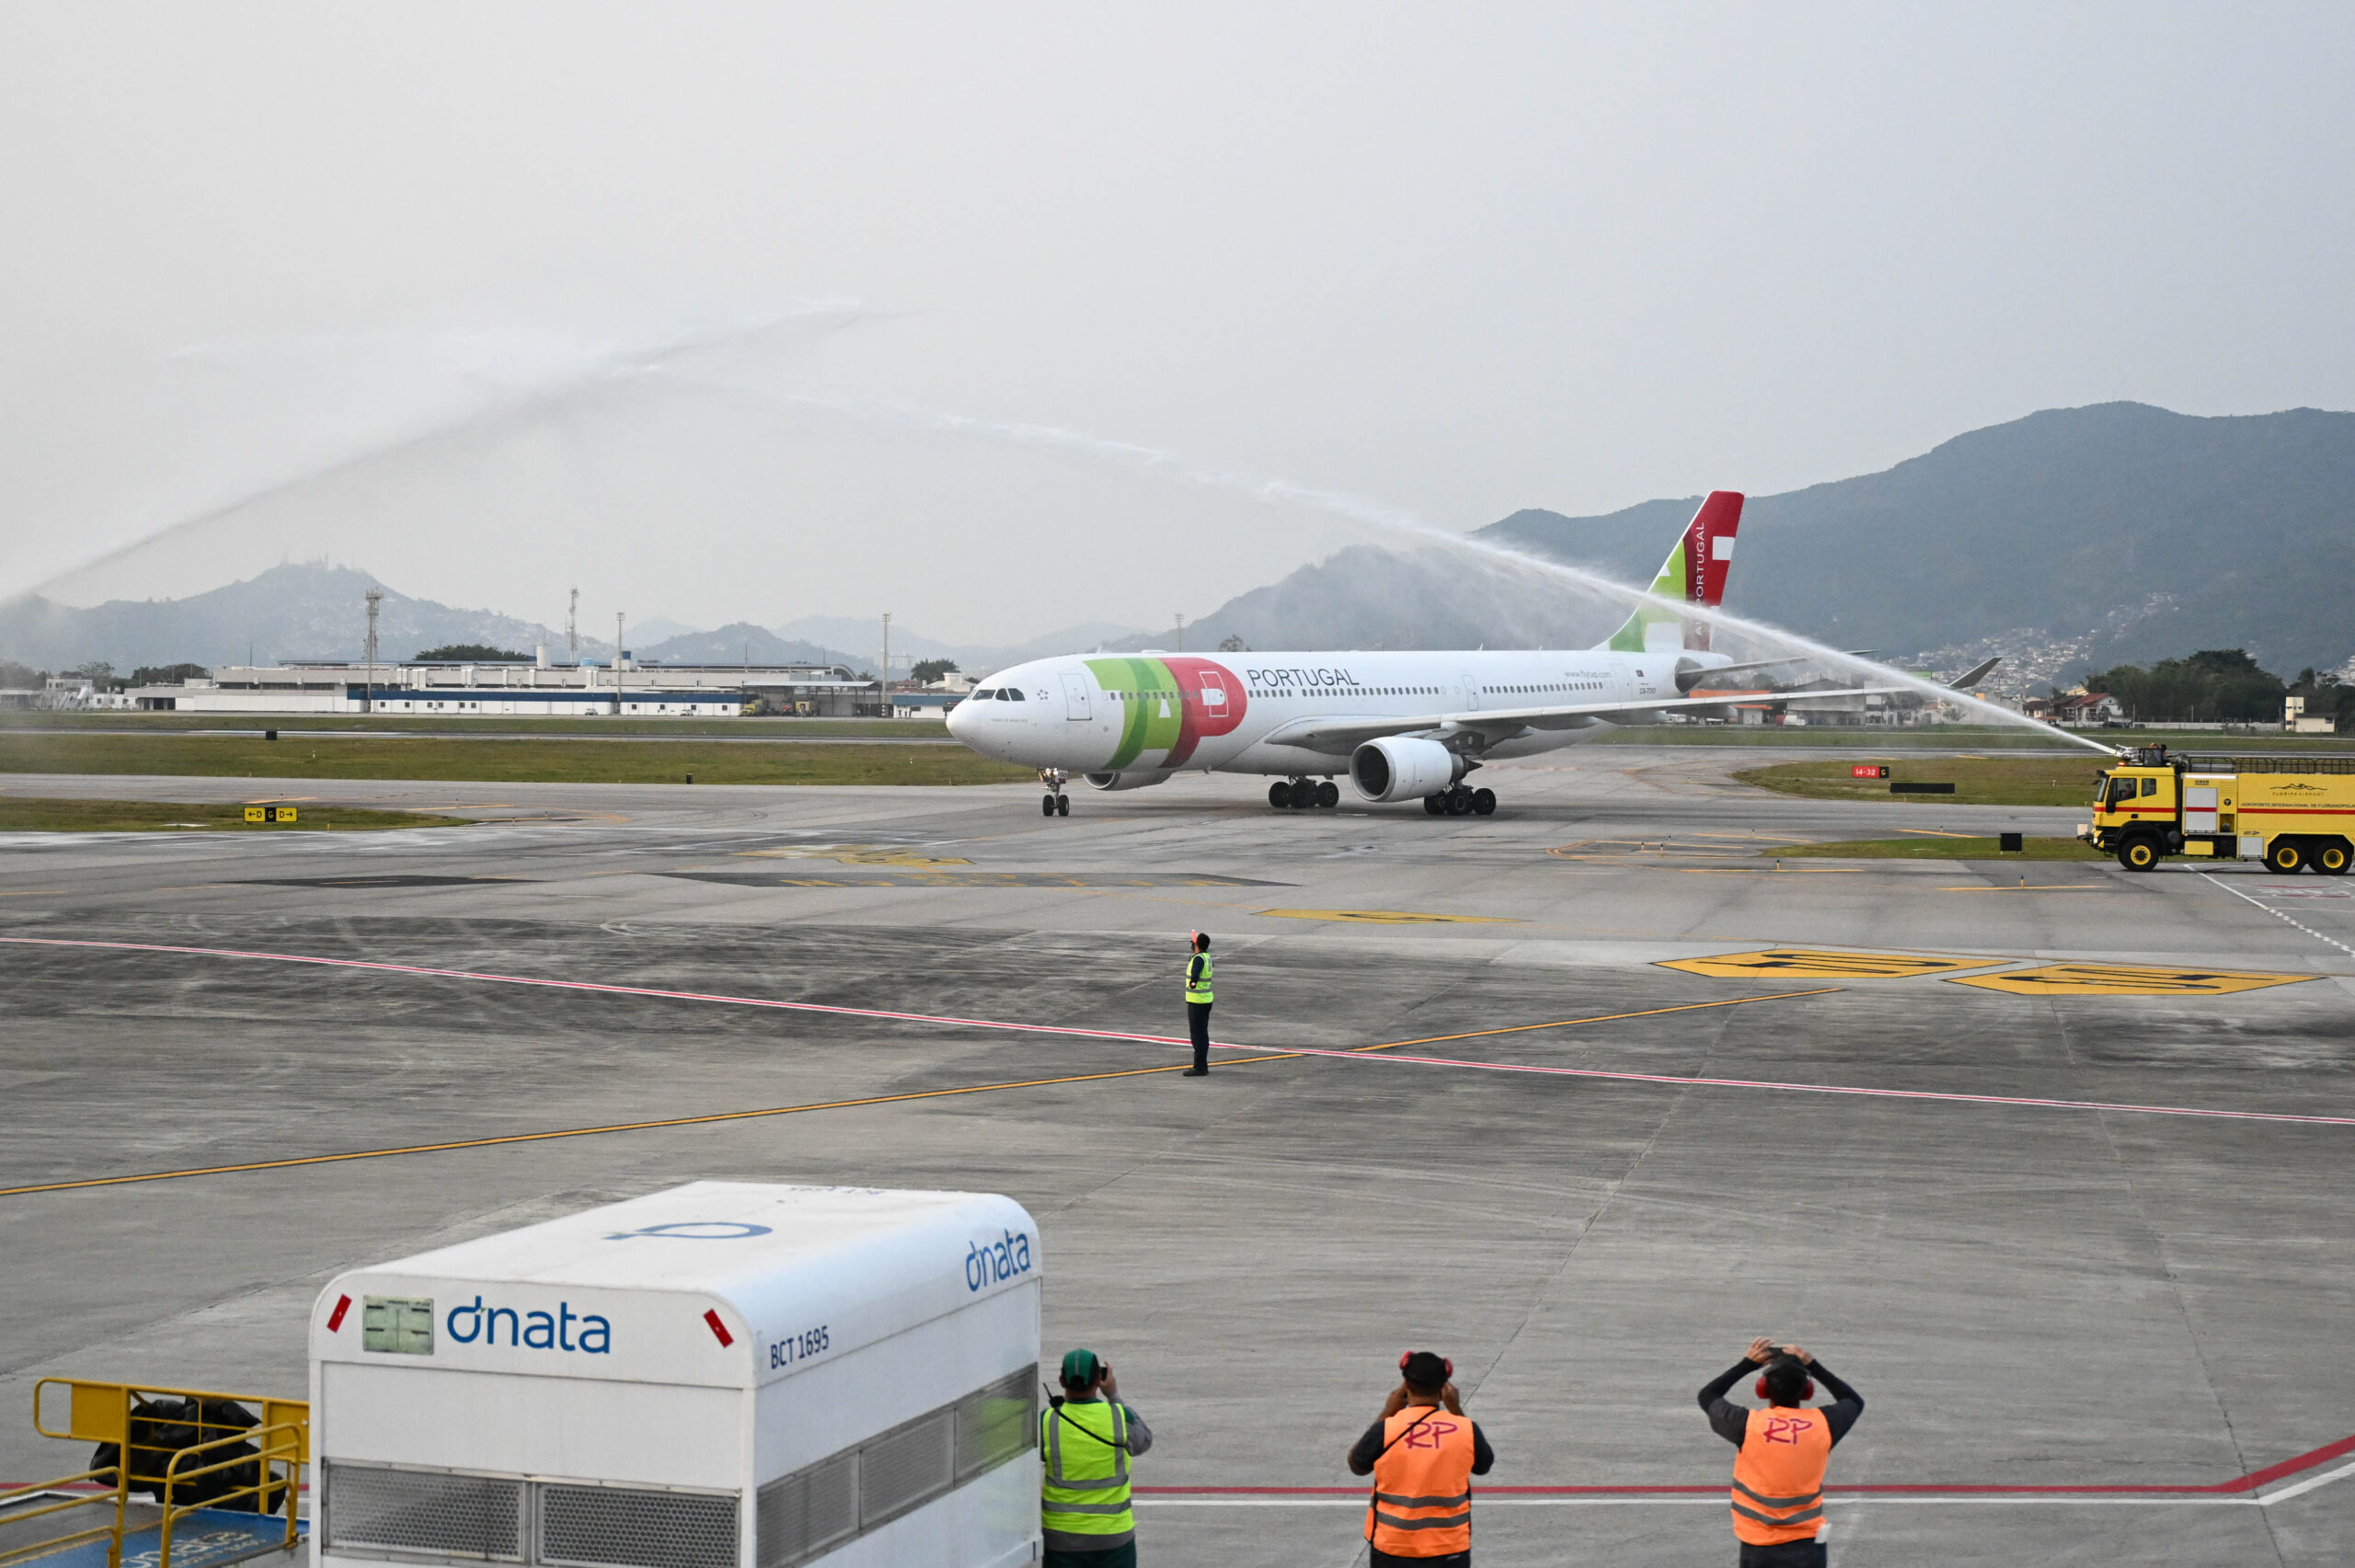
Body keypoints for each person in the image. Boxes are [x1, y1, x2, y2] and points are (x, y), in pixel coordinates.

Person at [1696, 1338, 1865, 1567]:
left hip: (1759, 1545)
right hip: (1808, 1545)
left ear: (1762, 1389)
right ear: (1808, 1392)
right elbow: (1853, 1401)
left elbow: (1708, 1396)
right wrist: (1813, 1365)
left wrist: (1746, 1364)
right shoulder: (1823, 1425)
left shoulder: (1747, 1425)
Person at [1346, 1351, 1494, 1567]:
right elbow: (1483, 1466)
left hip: (1393, 1547)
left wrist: (1389, 1410)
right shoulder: (1466, 1430)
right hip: (1449, 1548)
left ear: (1405, 1384)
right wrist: (1456, 1409)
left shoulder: (1386, 1429)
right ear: (1445, 1389)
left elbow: (1357, 1464)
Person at [1040, 1347, 1154, 1568]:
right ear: (1099, 1380)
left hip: (1062, 1536)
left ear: (1062, 1381)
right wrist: (1113, 1395)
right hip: (1112, 1534)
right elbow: (1144, 1441)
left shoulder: (1047, 1421)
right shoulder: (1119, 1416)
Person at [1180, 932, 1213, 1076]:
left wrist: (1193, 983)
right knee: (1203, 1033)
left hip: (1197, 1002)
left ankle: (1199, 1067)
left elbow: (1195, 975)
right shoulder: (1207, 957)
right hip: (1205, 1000)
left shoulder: (1198, 959)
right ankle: (1202, 1064)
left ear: (1197, 945)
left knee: (1197, 1035)